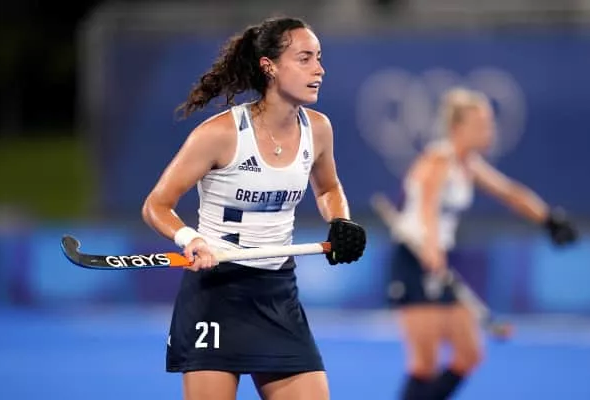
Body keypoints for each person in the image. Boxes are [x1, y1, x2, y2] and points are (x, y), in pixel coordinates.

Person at [141, 16, 366, 400]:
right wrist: (190, 239)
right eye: (305, 59)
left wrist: (340, 221)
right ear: (269, 67)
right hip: (216, 292)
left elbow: (328, 188)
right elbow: (157, 205)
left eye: (319, 57)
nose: (319, 69)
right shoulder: (219, 134)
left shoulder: (319, 129)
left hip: (277, 292)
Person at [387, 87, 577, 400]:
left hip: (437, 258)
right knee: (424, 365)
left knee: (469, 354)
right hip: (415, 259)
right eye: (481, 124)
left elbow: (509, 192)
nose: (490, 130)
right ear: (457, 127)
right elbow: (427, 208)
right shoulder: (438, 159)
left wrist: (548, 219)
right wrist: (432, 249)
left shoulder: (468, 163)